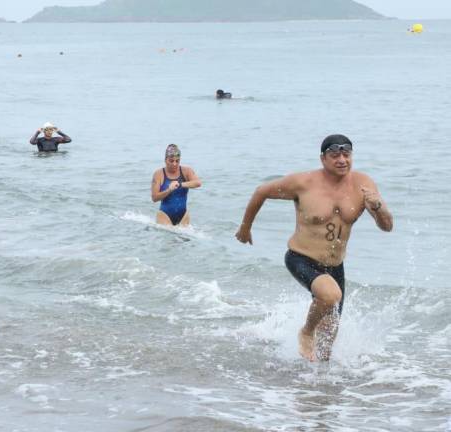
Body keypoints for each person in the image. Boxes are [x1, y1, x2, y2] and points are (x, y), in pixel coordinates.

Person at [235, 134, 393, 361]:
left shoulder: (363, 184)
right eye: (335, 155)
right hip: (302, 258)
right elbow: (261, 191)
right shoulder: (303, 183)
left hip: (335, 267)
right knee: (330, 295)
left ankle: (317, 390)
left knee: (326, 347)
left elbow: (387, 227)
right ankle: (306, 332)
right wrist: (245, 229)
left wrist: (377, 206)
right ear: (323, 159)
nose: (341, 160)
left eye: (346, 154)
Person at [151, 144, 202, 226]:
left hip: (183, 216)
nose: (174, 164)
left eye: (177, 161)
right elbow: (154, 198)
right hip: (164, 215)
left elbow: (198, 183)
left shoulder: (186, 171)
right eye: (171, 161)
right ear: (165, 160)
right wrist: (169, 190)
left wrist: (180, 184)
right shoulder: (158, 174)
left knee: (185, 238)